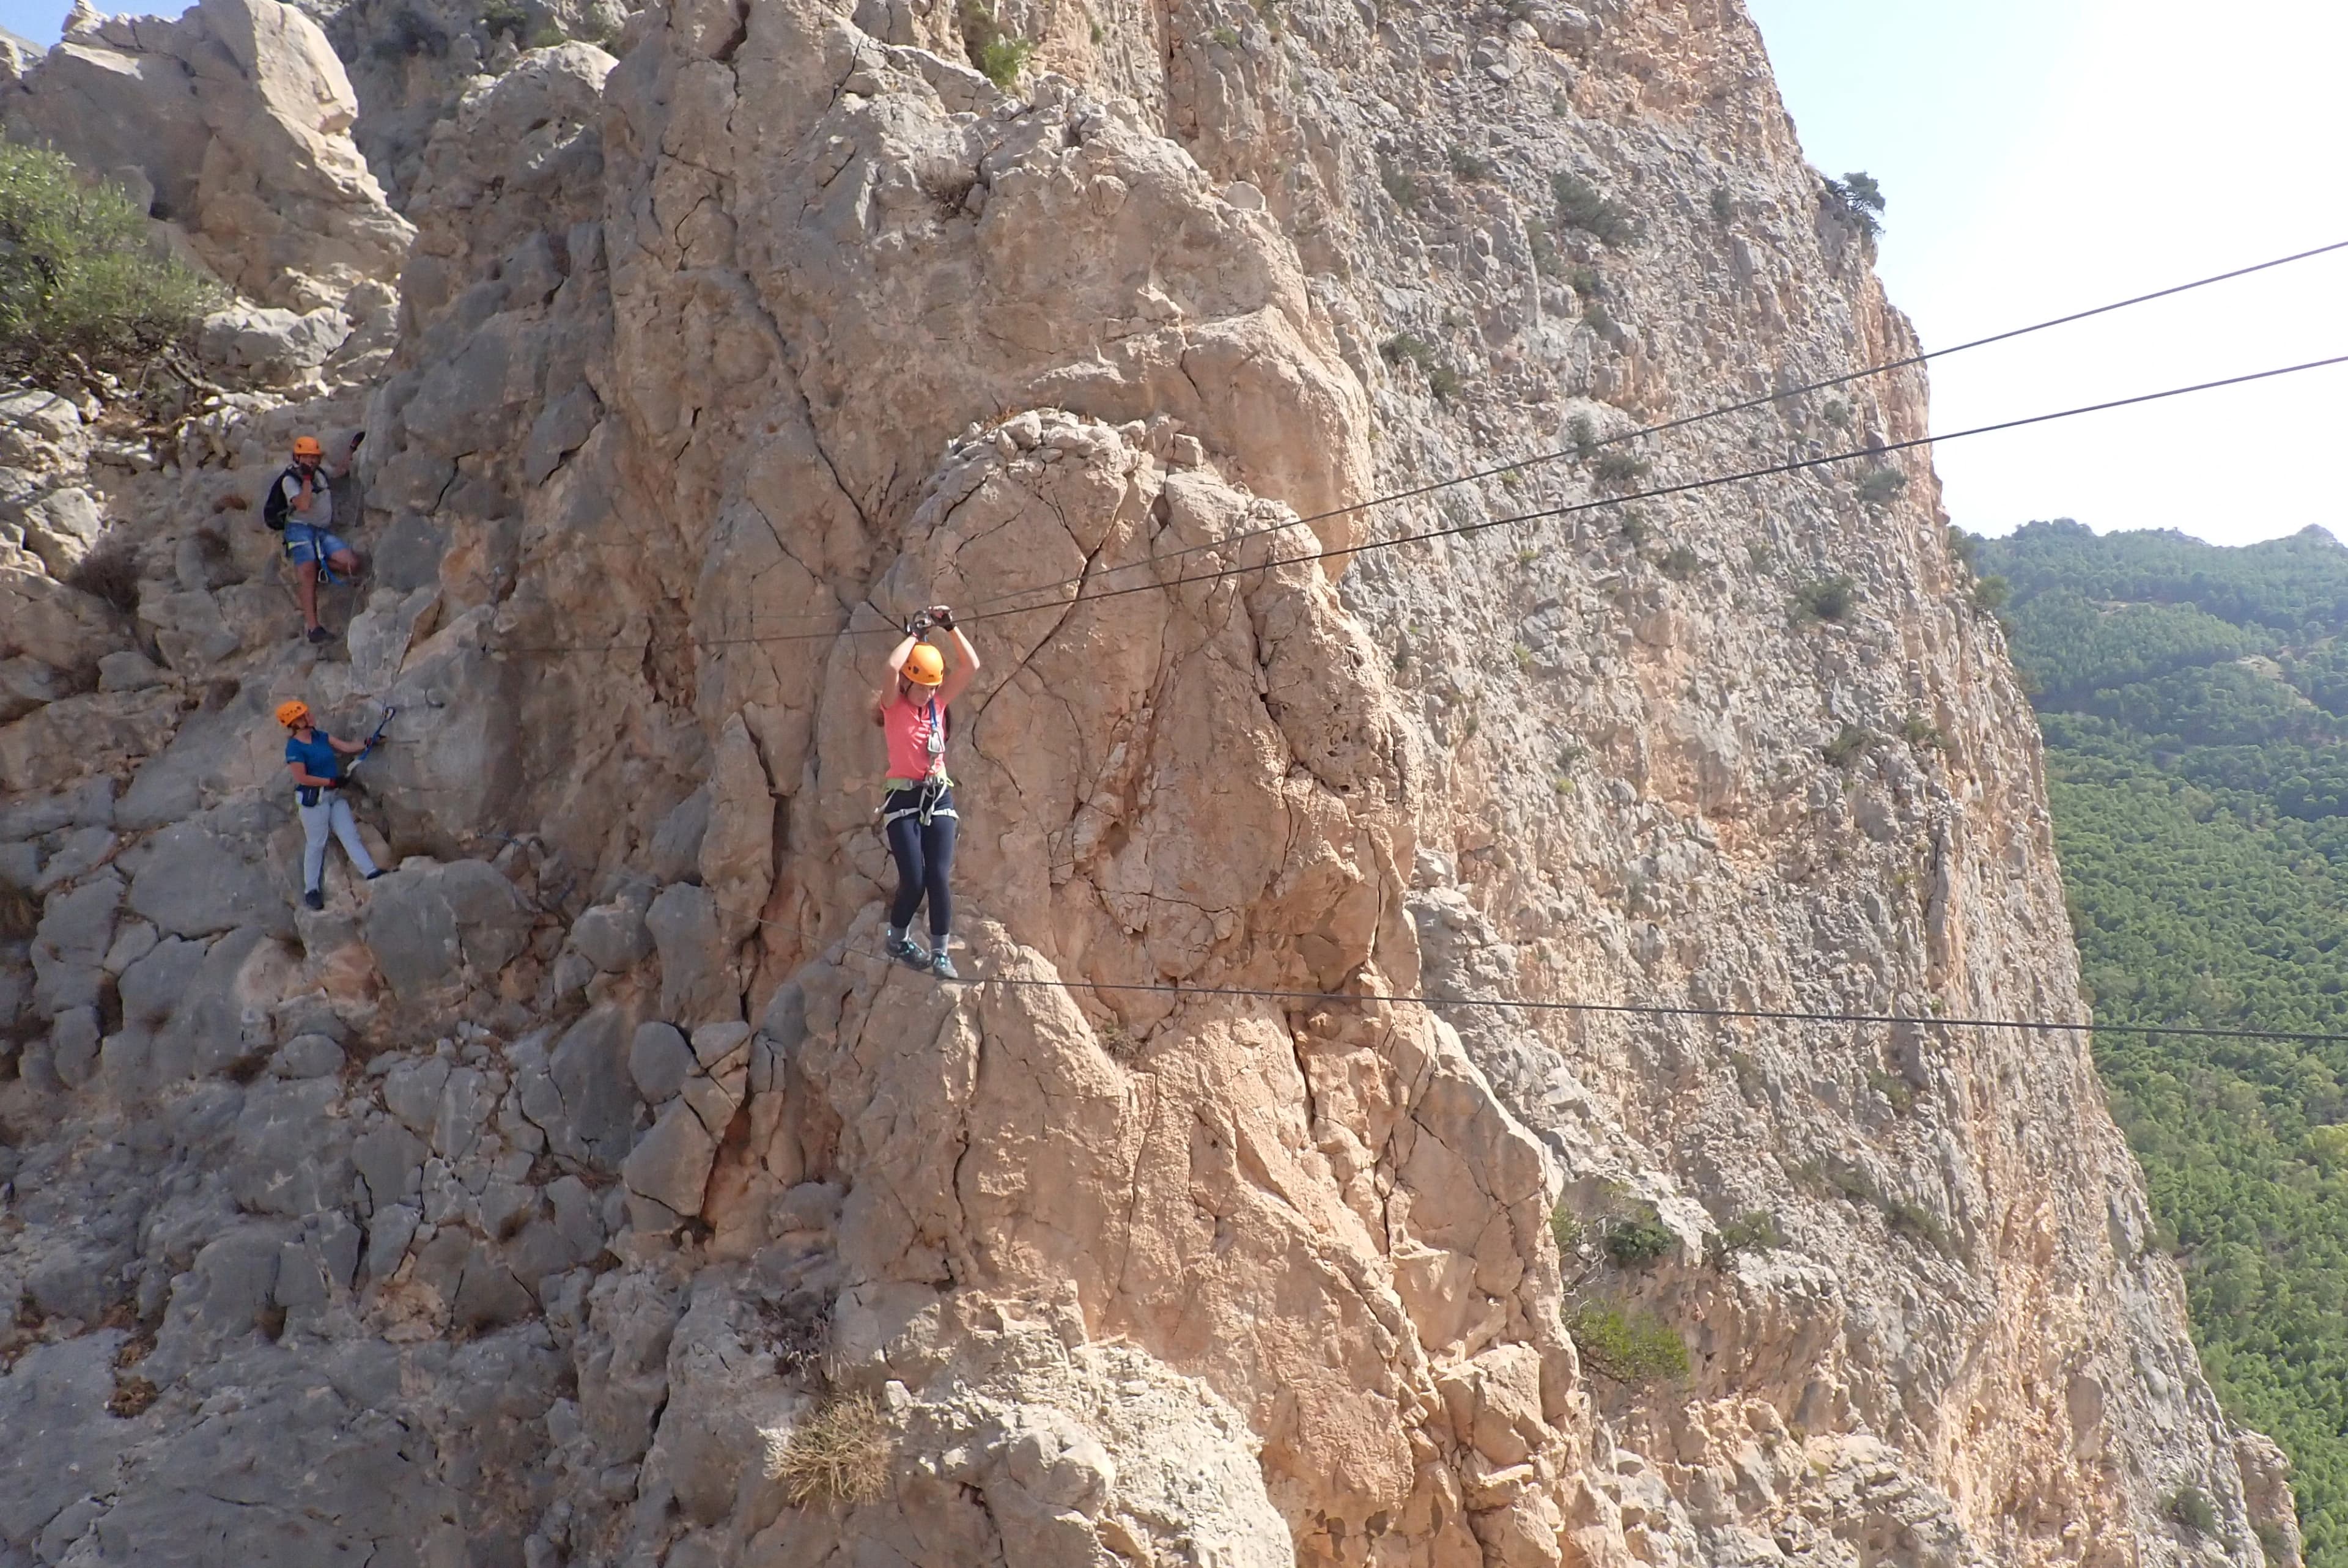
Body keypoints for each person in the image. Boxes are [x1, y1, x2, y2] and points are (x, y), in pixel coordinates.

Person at [873, 605, 979, 978]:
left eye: (932, 687)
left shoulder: (936, 705)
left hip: (938, 795)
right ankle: (898, 938)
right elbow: (889, 668)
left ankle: (940, 953)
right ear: (907, 683)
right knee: (913, 880)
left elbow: (971, 667)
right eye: (921, 687)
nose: (927, 694)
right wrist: (914, 639)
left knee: (937, 876)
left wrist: (951, 628)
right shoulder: (894, 706)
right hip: (903, 798)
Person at [278, 699, 388, 911]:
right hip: (314, 800)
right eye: (305, 716)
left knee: (349, 834)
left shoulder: (320, 736)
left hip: (333, 795)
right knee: (317, 843)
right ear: (295, 723)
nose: (311, 717)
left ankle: (371, 872)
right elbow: (302, 778)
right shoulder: (295, 748)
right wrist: (330, 781)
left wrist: (368, 743)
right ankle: (312, 890)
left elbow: (345, 747)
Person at [276, 433, 363, 644]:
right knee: (307, 575)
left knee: (352, 564)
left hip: (320, 531)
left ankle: (319, 564)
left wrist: (352, 449)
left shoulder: (321, 474)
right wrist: (306, 479)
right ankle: (313, 628)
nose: (311, 461)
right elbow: (304, 505)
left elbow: (340, 472)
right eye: (306, 457)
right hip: (300, 530)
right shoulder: (290, 480)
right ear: (297, 458)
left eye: (314, 457)